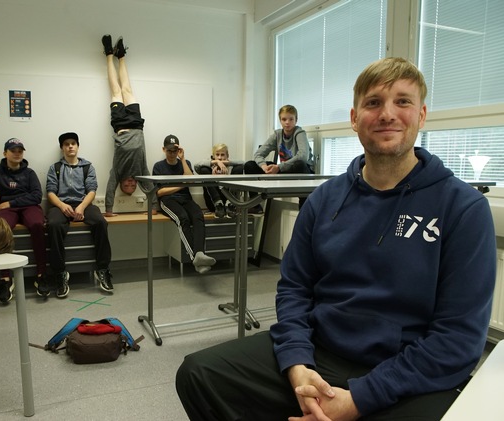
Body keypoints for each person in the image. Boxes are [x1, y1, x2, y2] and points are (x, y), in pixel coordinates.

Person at [175, 57, 497, 420]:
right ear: (355, 118)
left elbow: (457, 339)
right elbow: (294, 289)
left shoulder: (463, 208)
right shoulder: (324, 199)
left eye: (402, 101)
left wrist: (359, 399)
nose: (387, 114)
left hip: (405, 369)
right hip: (320, 351)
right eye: (373, 102)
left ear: (421, 115)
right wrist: (297, 363)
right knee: (198, 375)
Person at [0, 138, 48, 303]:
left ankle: (41, 275)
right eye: (13, 151)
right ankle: (5, 278)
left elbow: (36, 196)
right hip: (6, 210)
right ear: (5, 153)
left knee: (37, 224)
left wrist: (11, 203)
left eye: (20, 151)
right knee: (0, 228)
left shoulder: (29, 173)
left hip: (27, 206)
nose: (17, 154)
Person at [46, 132, 113, 296]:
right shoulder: (55, 168)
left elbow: (92, 191)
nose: (70, 146)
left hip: (83, 203)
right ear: (62, 148)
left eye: (73, 143)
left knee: (101, 222)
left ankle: (103, 269)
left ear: (77, 146)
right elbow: (50, 192)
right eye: (66, 144)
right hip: (61, 204)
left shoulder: (87, 167)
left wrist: (82, 207)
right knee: (53, 225)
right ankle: (60, 273)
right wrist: (62, 206)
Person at [100, 34, 156, 216]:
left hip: (120, 125)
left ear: (121, 184)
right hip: (137, 125)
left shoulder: (117, 172)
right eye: (133, 186)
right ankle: (121, 55)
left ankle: (109, 54)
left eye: (127, 186)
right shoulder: (142, 171)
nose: (131, 183)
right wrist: (153, 207)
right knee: (128, 90)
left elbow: (110, 187)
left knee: (116, 91)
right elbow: (150, 188)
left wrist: (109, 209)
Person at [153, 135, 216, 274]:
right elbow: (160, 192)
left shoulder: (185, 163)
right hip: (167, 201)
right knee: (183, 218)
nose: (172, 154)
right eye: (169, 151)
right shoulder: (158, 166)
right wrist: (181, 185)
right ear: (164, 150)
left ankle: (199, 254)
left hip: (186, 199)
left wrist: (182, 159)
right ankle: (195, 259)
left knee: (198, 215)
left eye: (175, 151)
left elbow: (191, 181)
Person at [244, 104, 315, 212]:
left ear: (296, 120)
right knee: (249, 165)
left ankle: (304, 209)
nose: (287, 122)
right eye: (284, 119)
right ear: (280, 120)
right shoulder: (277, 134)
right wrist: (264, 167)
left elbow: (303, 156)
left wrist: (279, 167)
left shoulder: (300, 133)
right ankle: (255, 205)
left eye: (291, 119)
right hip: (283, 170)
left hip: (300, 170)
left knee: (300, 163)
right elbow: (258, 154)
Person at [193, 143, 244, 219]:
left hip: (229, 201)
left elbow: (244, 163)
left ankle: (230, 205)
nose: (220, 157)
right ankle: (218, 204)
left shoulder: (231, 167)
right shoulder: (210, 165)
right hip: (213, 203)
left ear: (227, 156)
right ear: (213, 156)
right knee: (204, 170)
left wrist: (226, 165)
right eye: (217, 155)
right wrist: (216, 163)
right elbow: (196, 165)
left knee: (239, 168)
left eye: (222, 155)